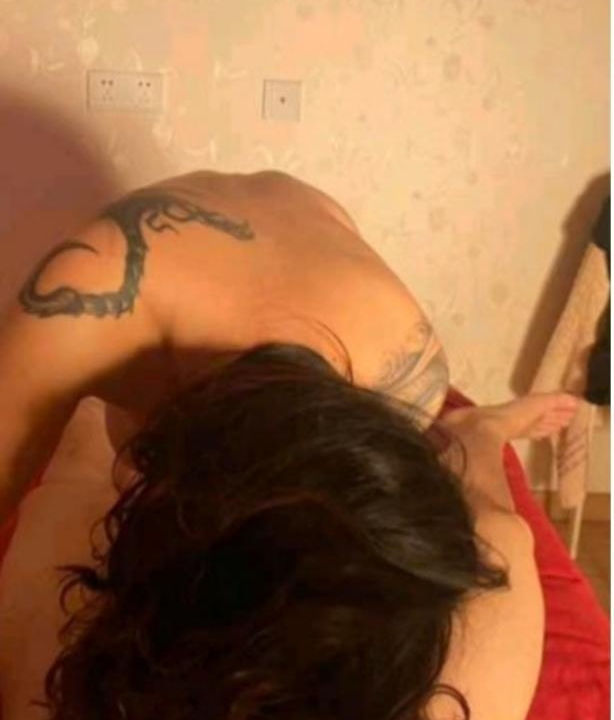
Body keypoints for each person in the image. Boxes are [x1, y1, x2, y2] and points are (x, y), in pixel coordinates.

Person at [0, 170, 578, 719]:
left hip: (342, 340)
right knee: (78, 461)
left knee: (500, 541)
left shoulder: (402, 373)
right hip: (152, 344)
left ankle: (482, 430)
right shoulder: (79, 313)